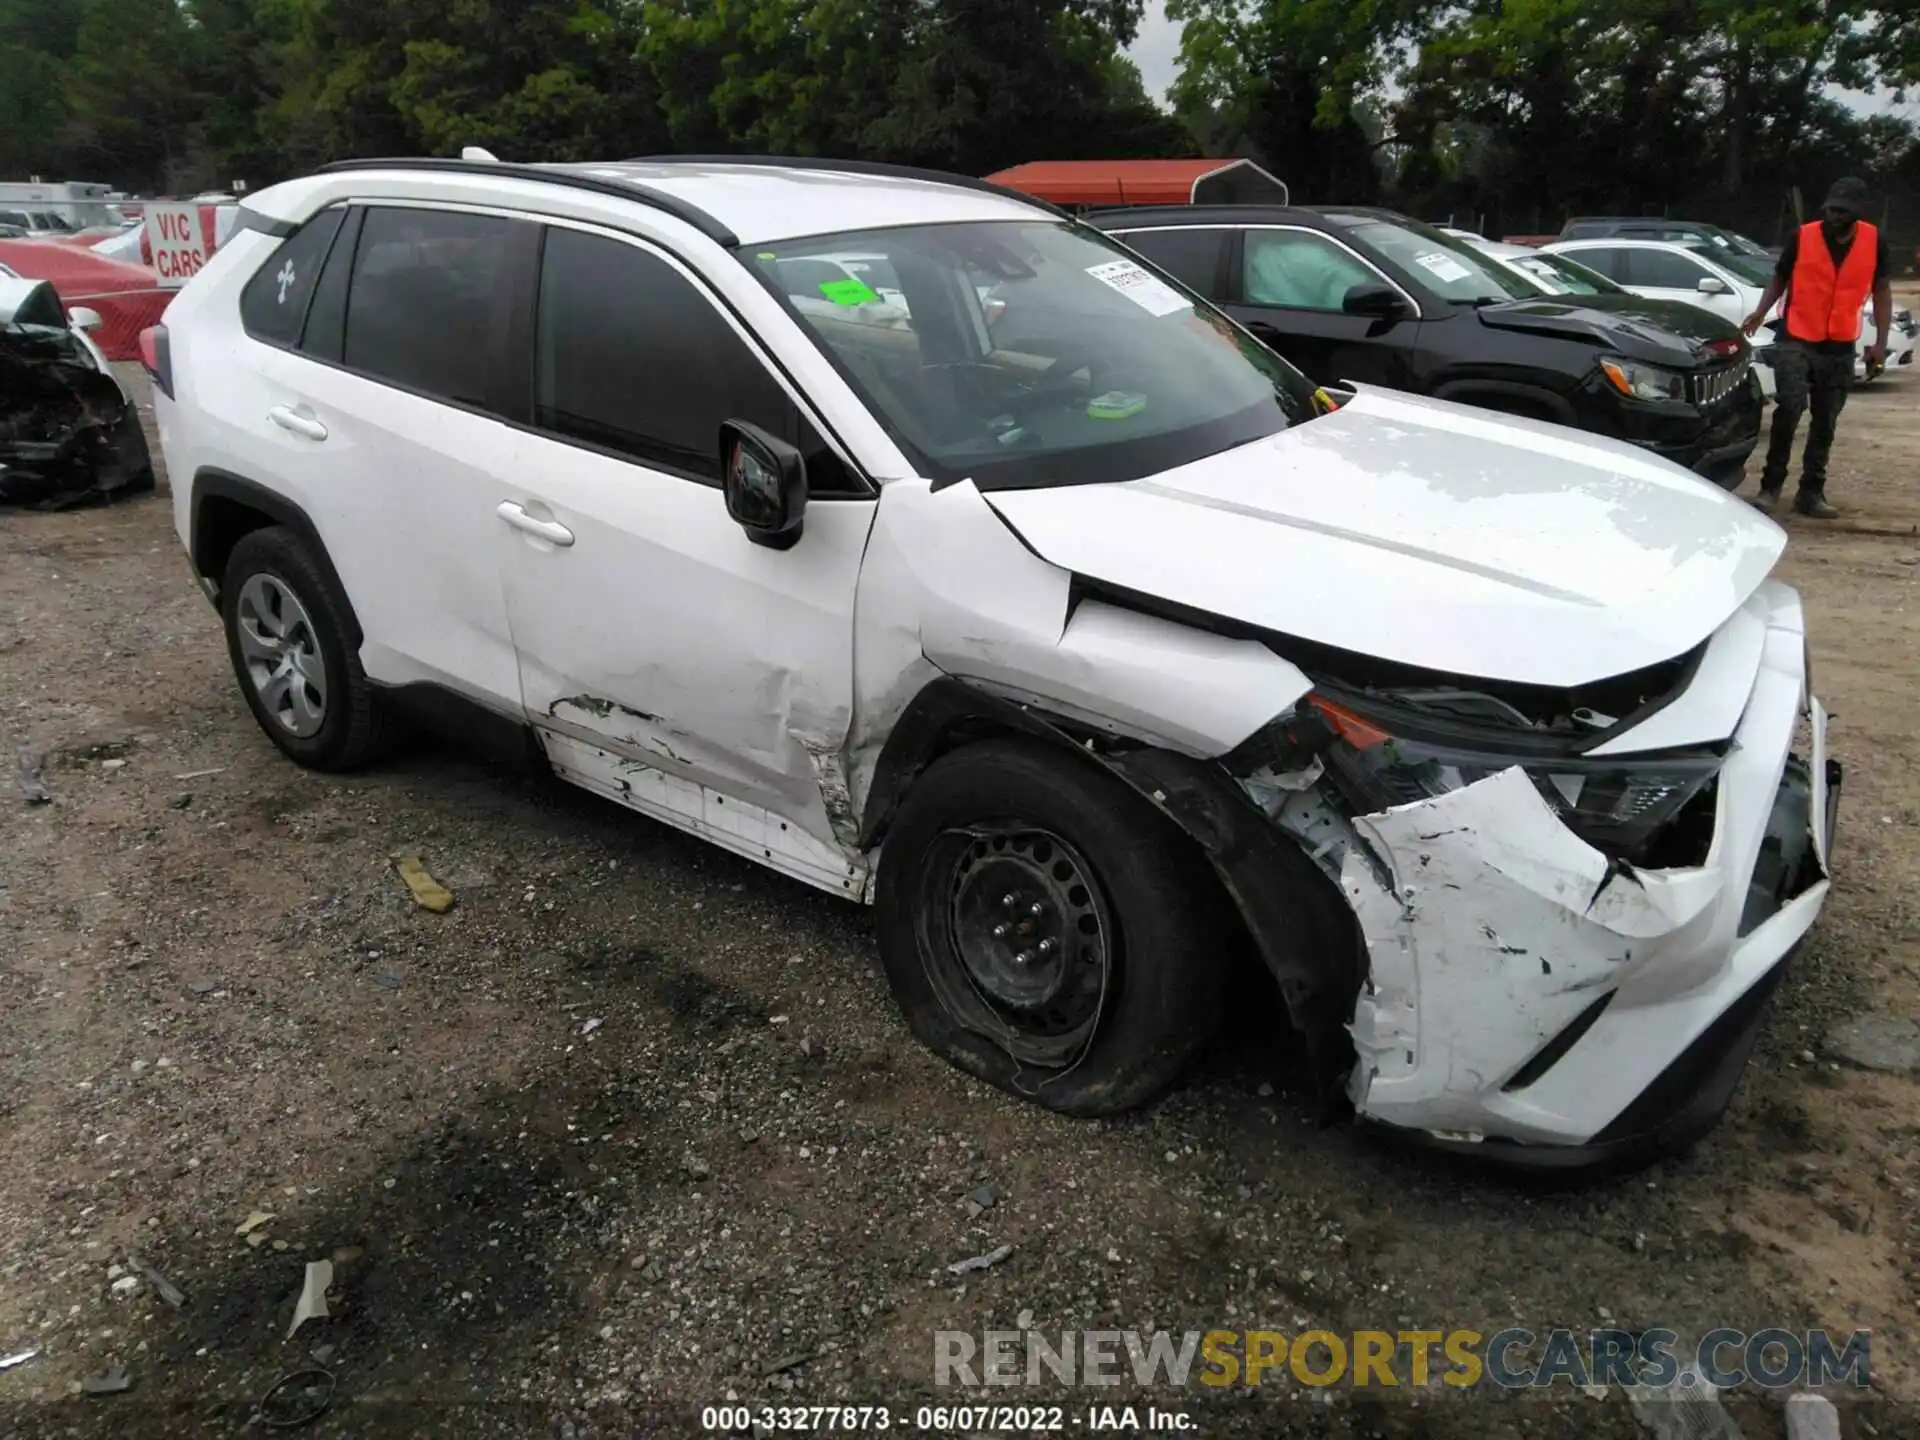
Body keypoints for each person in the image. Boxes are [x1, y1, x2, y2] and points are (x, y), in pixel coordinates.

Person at [1740, 177, 1893, 519]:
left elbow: (1881, 290)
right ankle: (1770, 487)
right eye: (1831, 208)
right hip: (1796, 337)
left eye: (1842, 210)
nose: (1834, 215)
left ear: (1857, 213)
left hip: (1839, 345)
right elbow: (1780, 276)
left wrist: (1880, 343)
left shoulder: (1873, 241)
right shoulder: (1804, 236)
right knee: (1790, 409)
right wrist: (1761, 312)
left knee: (1826, 421)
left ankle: (1811, 493)